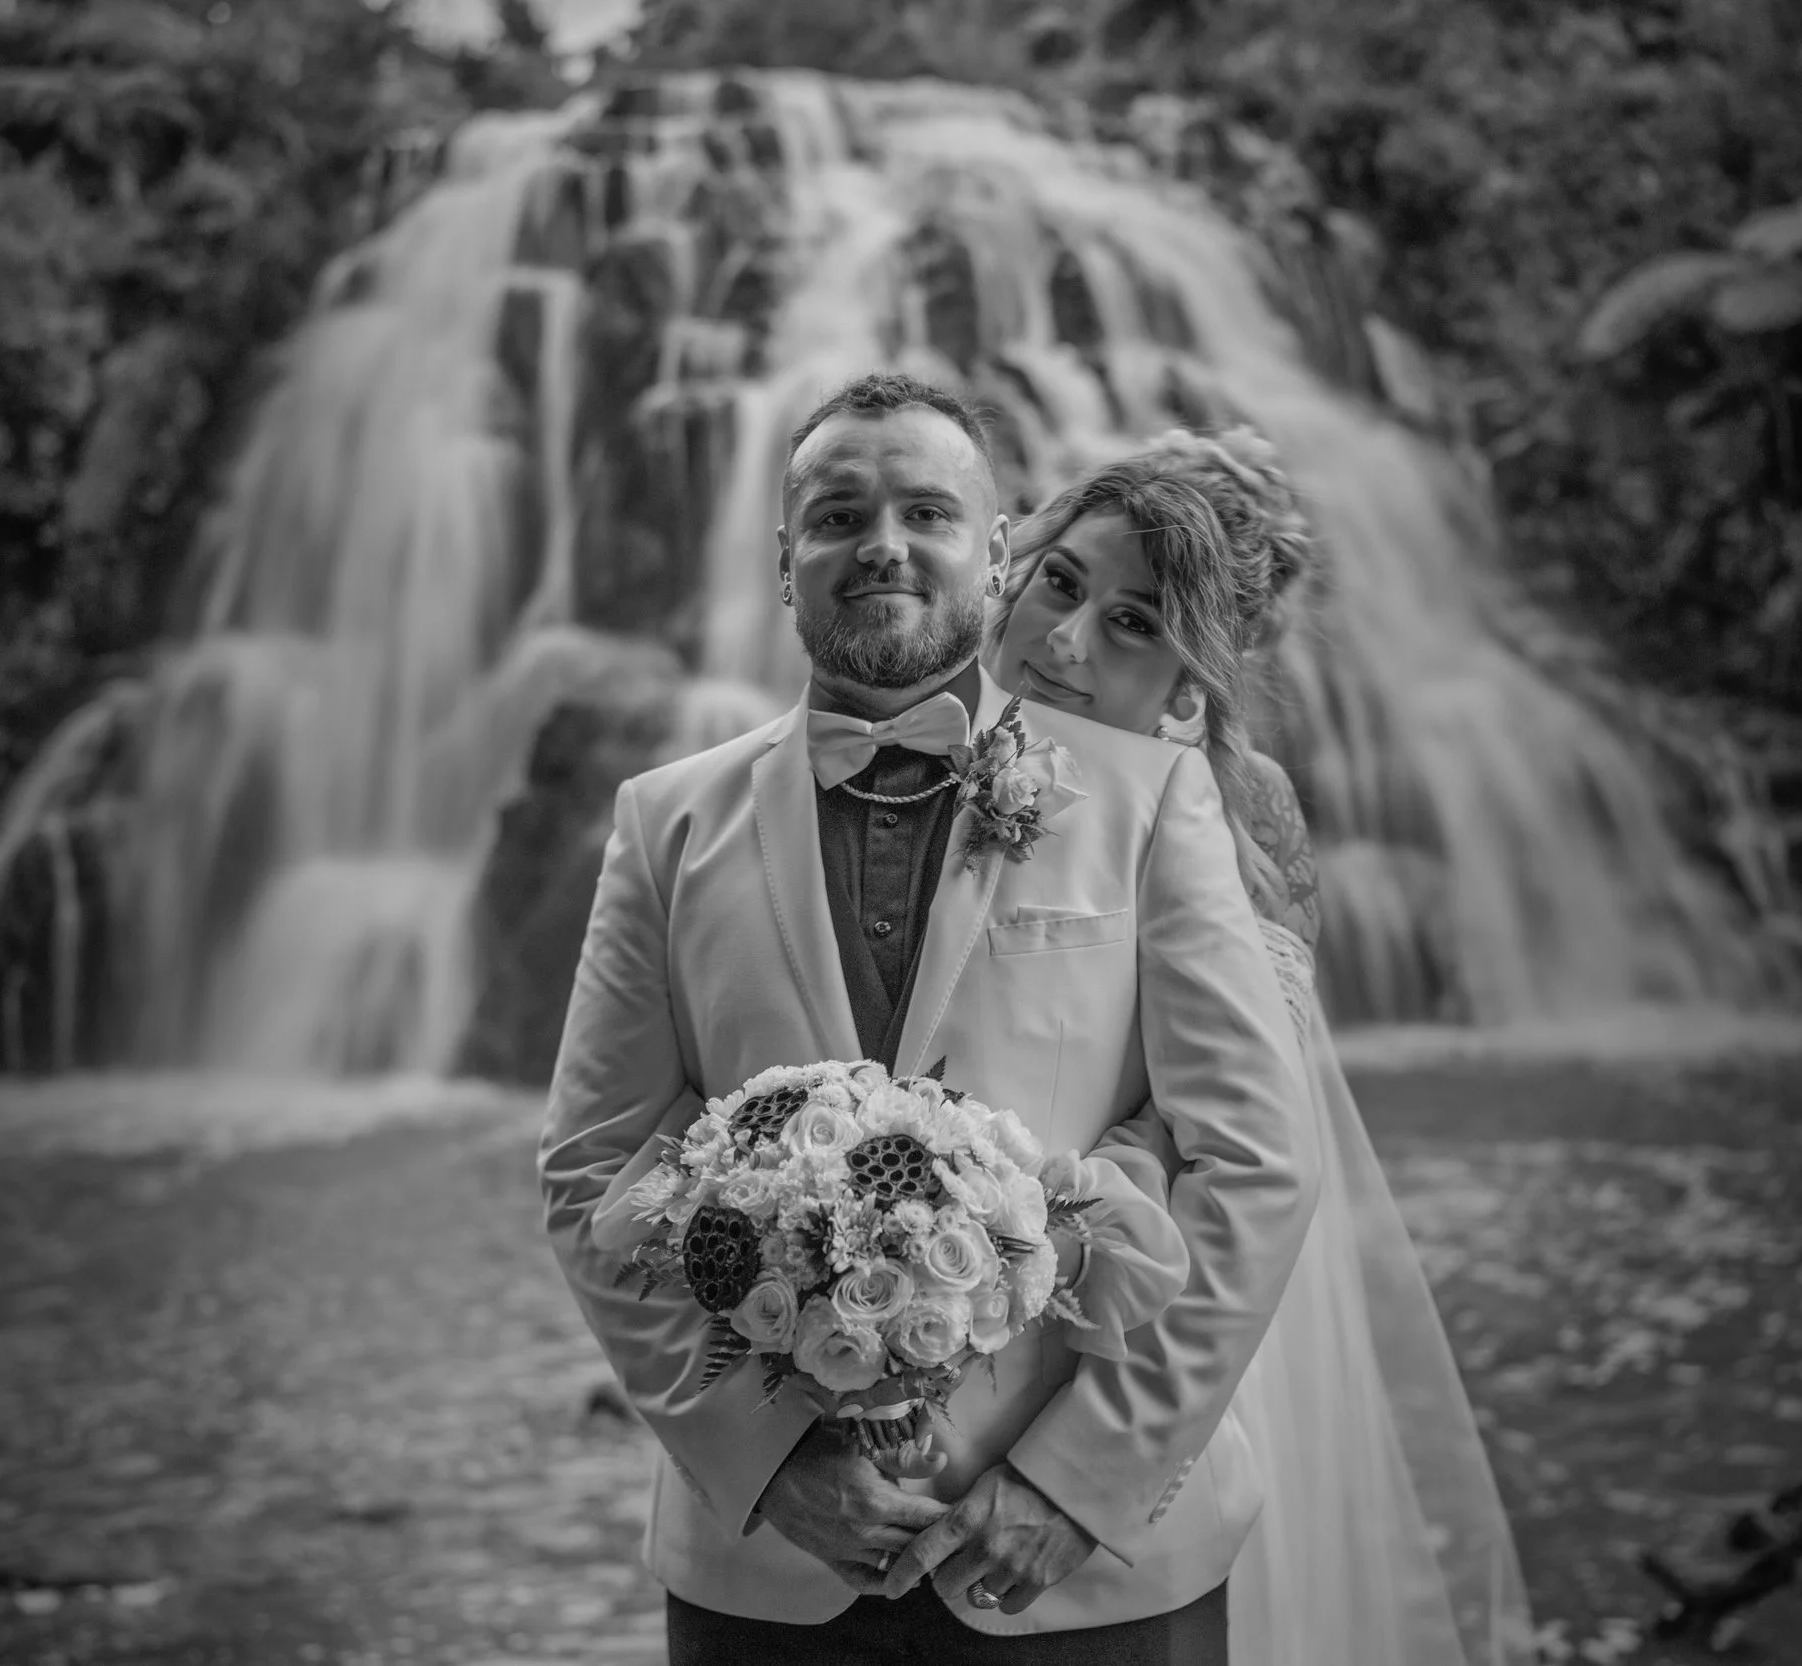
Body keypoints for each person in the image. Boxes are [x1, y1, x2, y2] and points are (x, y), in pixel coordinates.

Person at [536, 372, 1318, 1664]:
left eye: (927, 511)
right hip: (764, 1572)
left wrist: (1076, 1480)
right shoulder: (663, 823)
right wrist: (769, 1460)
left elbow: (1255, 1164)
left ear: (996, 550)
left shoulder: (1152, 805)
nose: (881, 543)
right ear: (783, 560)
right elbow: (586, 1171)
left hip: (1093, 1572)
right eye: (838, 516)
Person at [980, 427, 1535, 1666]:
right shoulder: (943, 743)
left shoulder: (1230, 809)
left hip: (1144, 1283)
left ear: (1198, 664)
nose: (1067, 642)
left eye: (1141, 620)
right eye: (1059, 581)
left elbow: (1241, 1118)